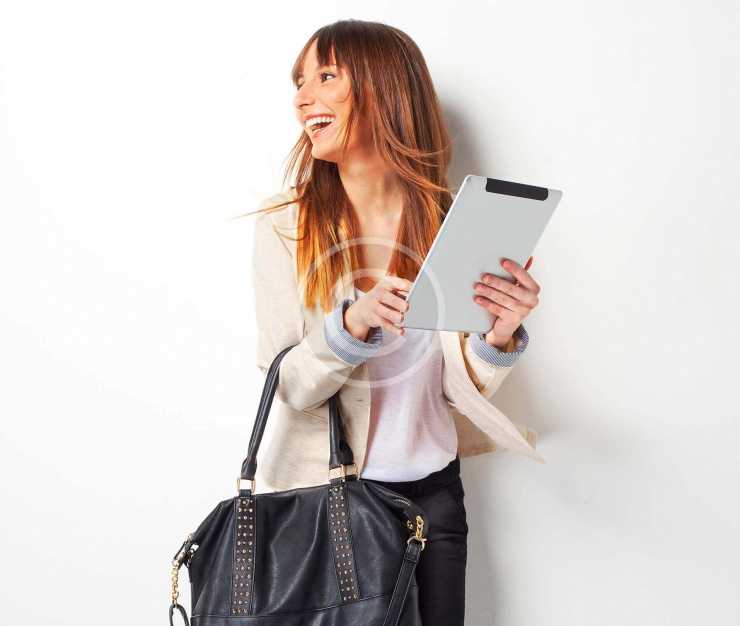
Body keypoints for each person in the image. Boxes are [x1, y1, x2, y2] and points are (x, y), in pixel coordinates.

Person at [242, 19, 542, 626]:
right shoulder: (286, 226)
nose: (303, 97)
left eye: (326, 76)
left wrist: (498, 336)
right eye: (300, 82)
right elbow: (288, 384)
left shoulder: (448, 221)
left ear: (385, 87)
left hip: (438, 497)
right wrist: (348, 328)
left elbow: (453, 386)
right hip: (335, 503)